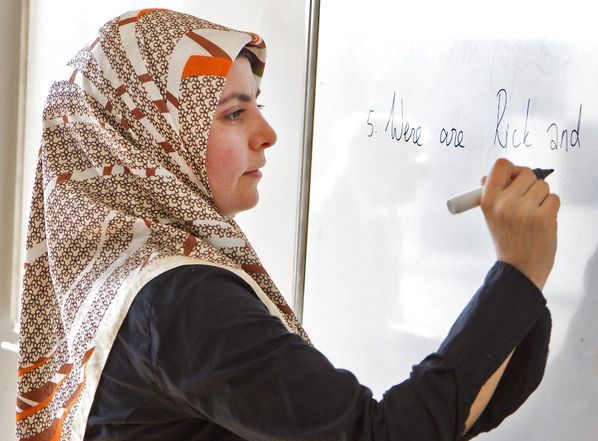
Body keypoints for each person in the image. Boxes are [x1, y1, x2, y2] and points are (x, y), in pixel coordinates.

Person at [16, 8, 559, 441]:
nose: (267, 132)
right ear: (148, 141)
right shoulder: (180, 300)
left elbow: (435, 420)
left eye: (257, 105)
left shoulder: (118, 280)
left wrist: (516, 288)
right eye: (234, 113)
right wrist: (517, 275)